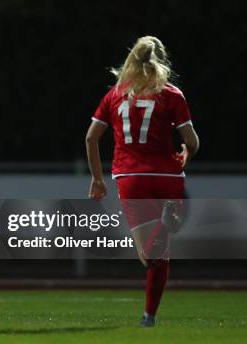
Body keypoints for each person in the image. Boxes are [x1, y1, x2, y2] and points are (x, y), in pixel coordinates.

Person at [85, 36, 200, 327]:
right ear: (162, 60)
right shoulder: (172, 93)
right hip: (168, 176)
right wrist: (188, 151)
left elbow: (91, 137)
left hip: (132, 176)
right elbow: (192, 141)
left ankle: (149, 316)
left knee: (150, 257)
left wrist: (97, 179)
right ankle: (149, 317)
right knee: (161, 252)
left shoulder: (116, 94)